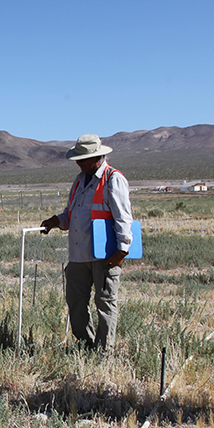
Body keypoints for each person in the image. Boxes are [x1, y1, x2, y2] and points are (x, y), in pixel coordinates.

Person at [40, 134, 134, 351]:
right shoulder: (79, 180)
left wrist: (122, 250)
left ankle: (104, 352)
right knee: (76, 301)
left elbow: (123, 218)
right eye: (78, 160)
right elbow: (72, 214)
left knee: (105, 302)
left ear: (97, 158)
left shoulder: (113, 179)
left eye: (83, 159)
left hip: (105, 255)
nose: (79, 164)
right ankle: (86, 346)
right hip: (78, 254)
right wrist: (57, 221)